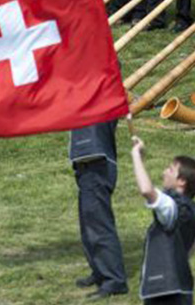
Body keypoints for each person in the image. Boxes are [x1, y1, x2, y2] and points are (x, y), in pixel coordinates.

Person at [131, 135, 195, 305]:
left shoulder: (173, 206)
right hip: (180, 289)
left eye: (170, 170)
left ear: (181, 181)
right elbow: (191, 247)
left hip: (166, 293)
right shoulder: (192, 209)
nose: (164, 172)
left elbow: (146, 190)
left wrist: (135, 155)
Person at [70, 119, 129, 299]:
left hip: (97, 165)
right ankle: (100, 271)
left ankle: (114, 280)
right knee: (89, 226)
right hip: (86, 165)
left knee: (99, 227)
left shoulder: (98, 103)